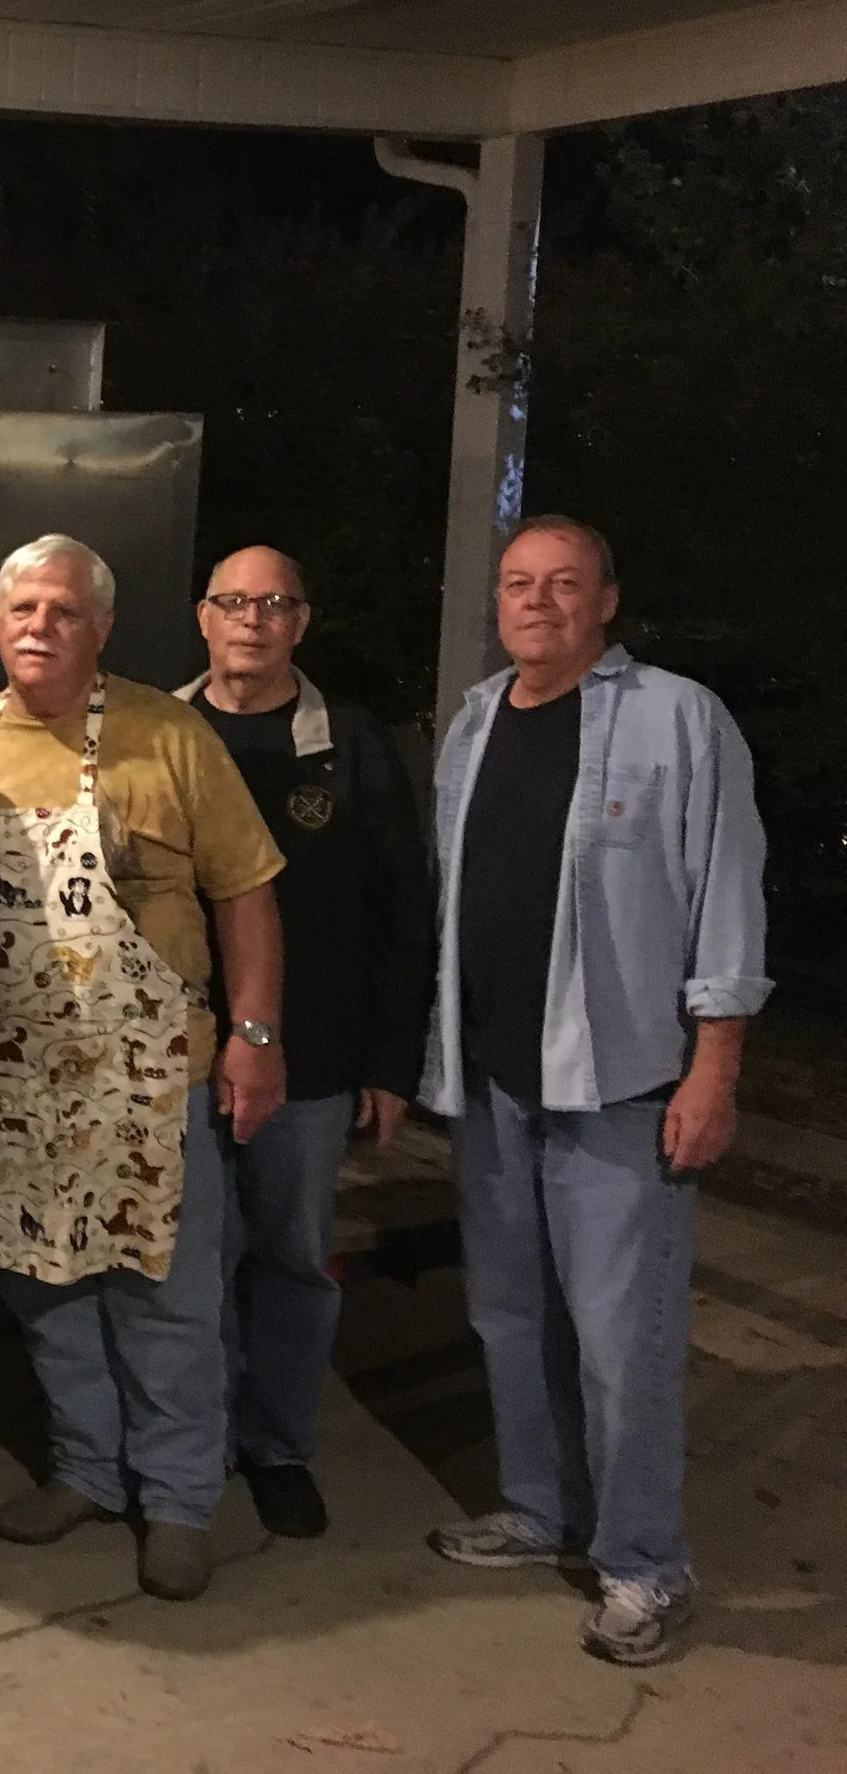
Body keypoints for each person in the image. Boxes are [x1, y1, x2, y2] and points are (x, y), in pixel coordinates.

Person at [419, 517, 769, 1668]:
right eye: (518, 583)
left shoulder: (679, 719)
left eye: (564, 583)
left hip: (622, 1088)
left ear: (605, 601)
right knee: (512, 1318)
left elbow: (725, 897)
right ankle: (541, 1509)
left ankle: (643, 1563)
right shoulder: (474, 722)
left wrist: (713, 1067)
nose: (538, 601)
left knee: (623, 1344)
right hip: (494, 1081)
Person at [0, 534, 287, 1603]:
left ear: (100, 628)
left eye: (63, 611)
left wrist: (255, 1034)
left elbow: (246, 892)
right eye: (23, 609)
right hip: (16, 1076)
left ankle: (180, 1499)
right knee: (42, 1286)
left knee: (165, 1294)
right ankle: (88, 1472)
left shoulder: (169, 736)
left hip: (153, 1071)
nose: (40, 626)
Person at [172, 545, 434, 1538]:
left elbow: (403, 913)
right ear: (203, 617)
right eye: (234, 601)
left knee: (292, 1257)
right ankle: (191, 1445)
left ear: (301, 622)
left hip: (314, 1062)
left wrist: (390, 1064)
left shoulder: (353, 745)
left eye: (274, 602)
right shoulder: (157, 730)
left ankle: (277, 1446)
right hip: (177, 1060)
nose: (252, 619)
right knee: (189, 1263)